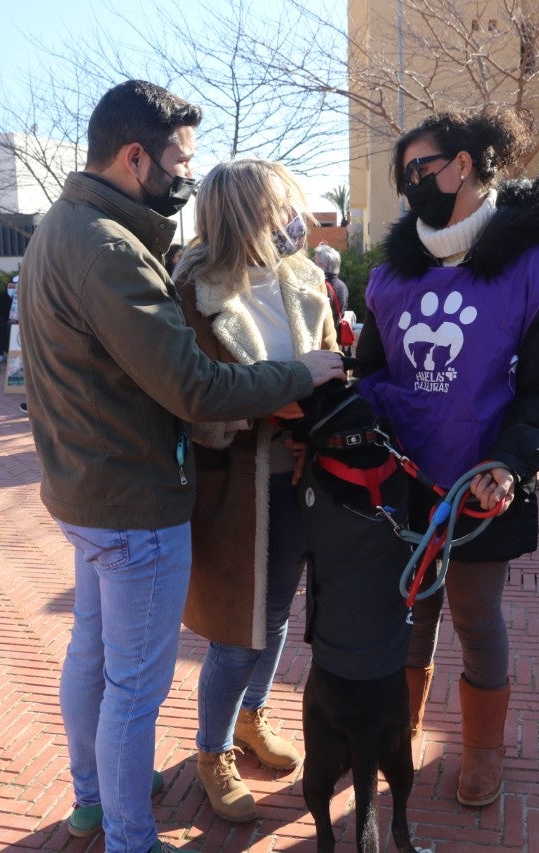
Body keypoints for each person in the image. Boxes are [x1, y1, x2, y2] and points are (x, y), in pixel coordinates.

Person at [18, 80, 343, 852]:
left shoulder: (68, 227)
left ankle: (96, 799)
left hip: (89, 489)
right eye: (179, 160)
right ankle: (130, 833)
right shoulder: (108, 252)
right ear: (135, 157)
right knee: (133, 688)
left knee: (94, 658)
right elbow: (195, 388)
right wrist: (305, 374)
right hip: (132, 500)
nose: (186, 177)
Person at [354, 108, 539, 807]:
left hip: (484, 485)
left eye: (421, 168)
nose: (412, 184)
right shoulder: (390, 277)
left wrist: (510, 464)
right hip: (401, 483)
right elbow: (368, 374)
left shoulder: (537, 269)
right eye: (405, 176)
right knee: (406, 613)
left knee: (475, 618)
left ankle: (483, 749)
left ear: (464, 164)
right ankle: (401, 727)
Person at [171, 159, 336, 823]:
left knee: (275, 617)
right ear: (244, 214)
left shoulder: (305, 275)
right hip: (233, 488)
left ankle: (251, 717)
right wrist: (283, 399)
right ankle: (212, 749)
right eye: (279, 207)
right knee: (237, 632)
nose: (293, 218)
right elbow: (195, 405)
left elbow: (326, 359)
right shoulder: (193, 290)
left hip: (298, 475)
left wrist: (314, 418)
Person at [311, 242, 349, 327]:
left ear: (321, 266)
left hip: (323, 336)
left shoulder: (320, 286)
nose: (312, 265)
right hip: (337, 335)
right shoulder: (342, 286)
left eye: (314, 261)